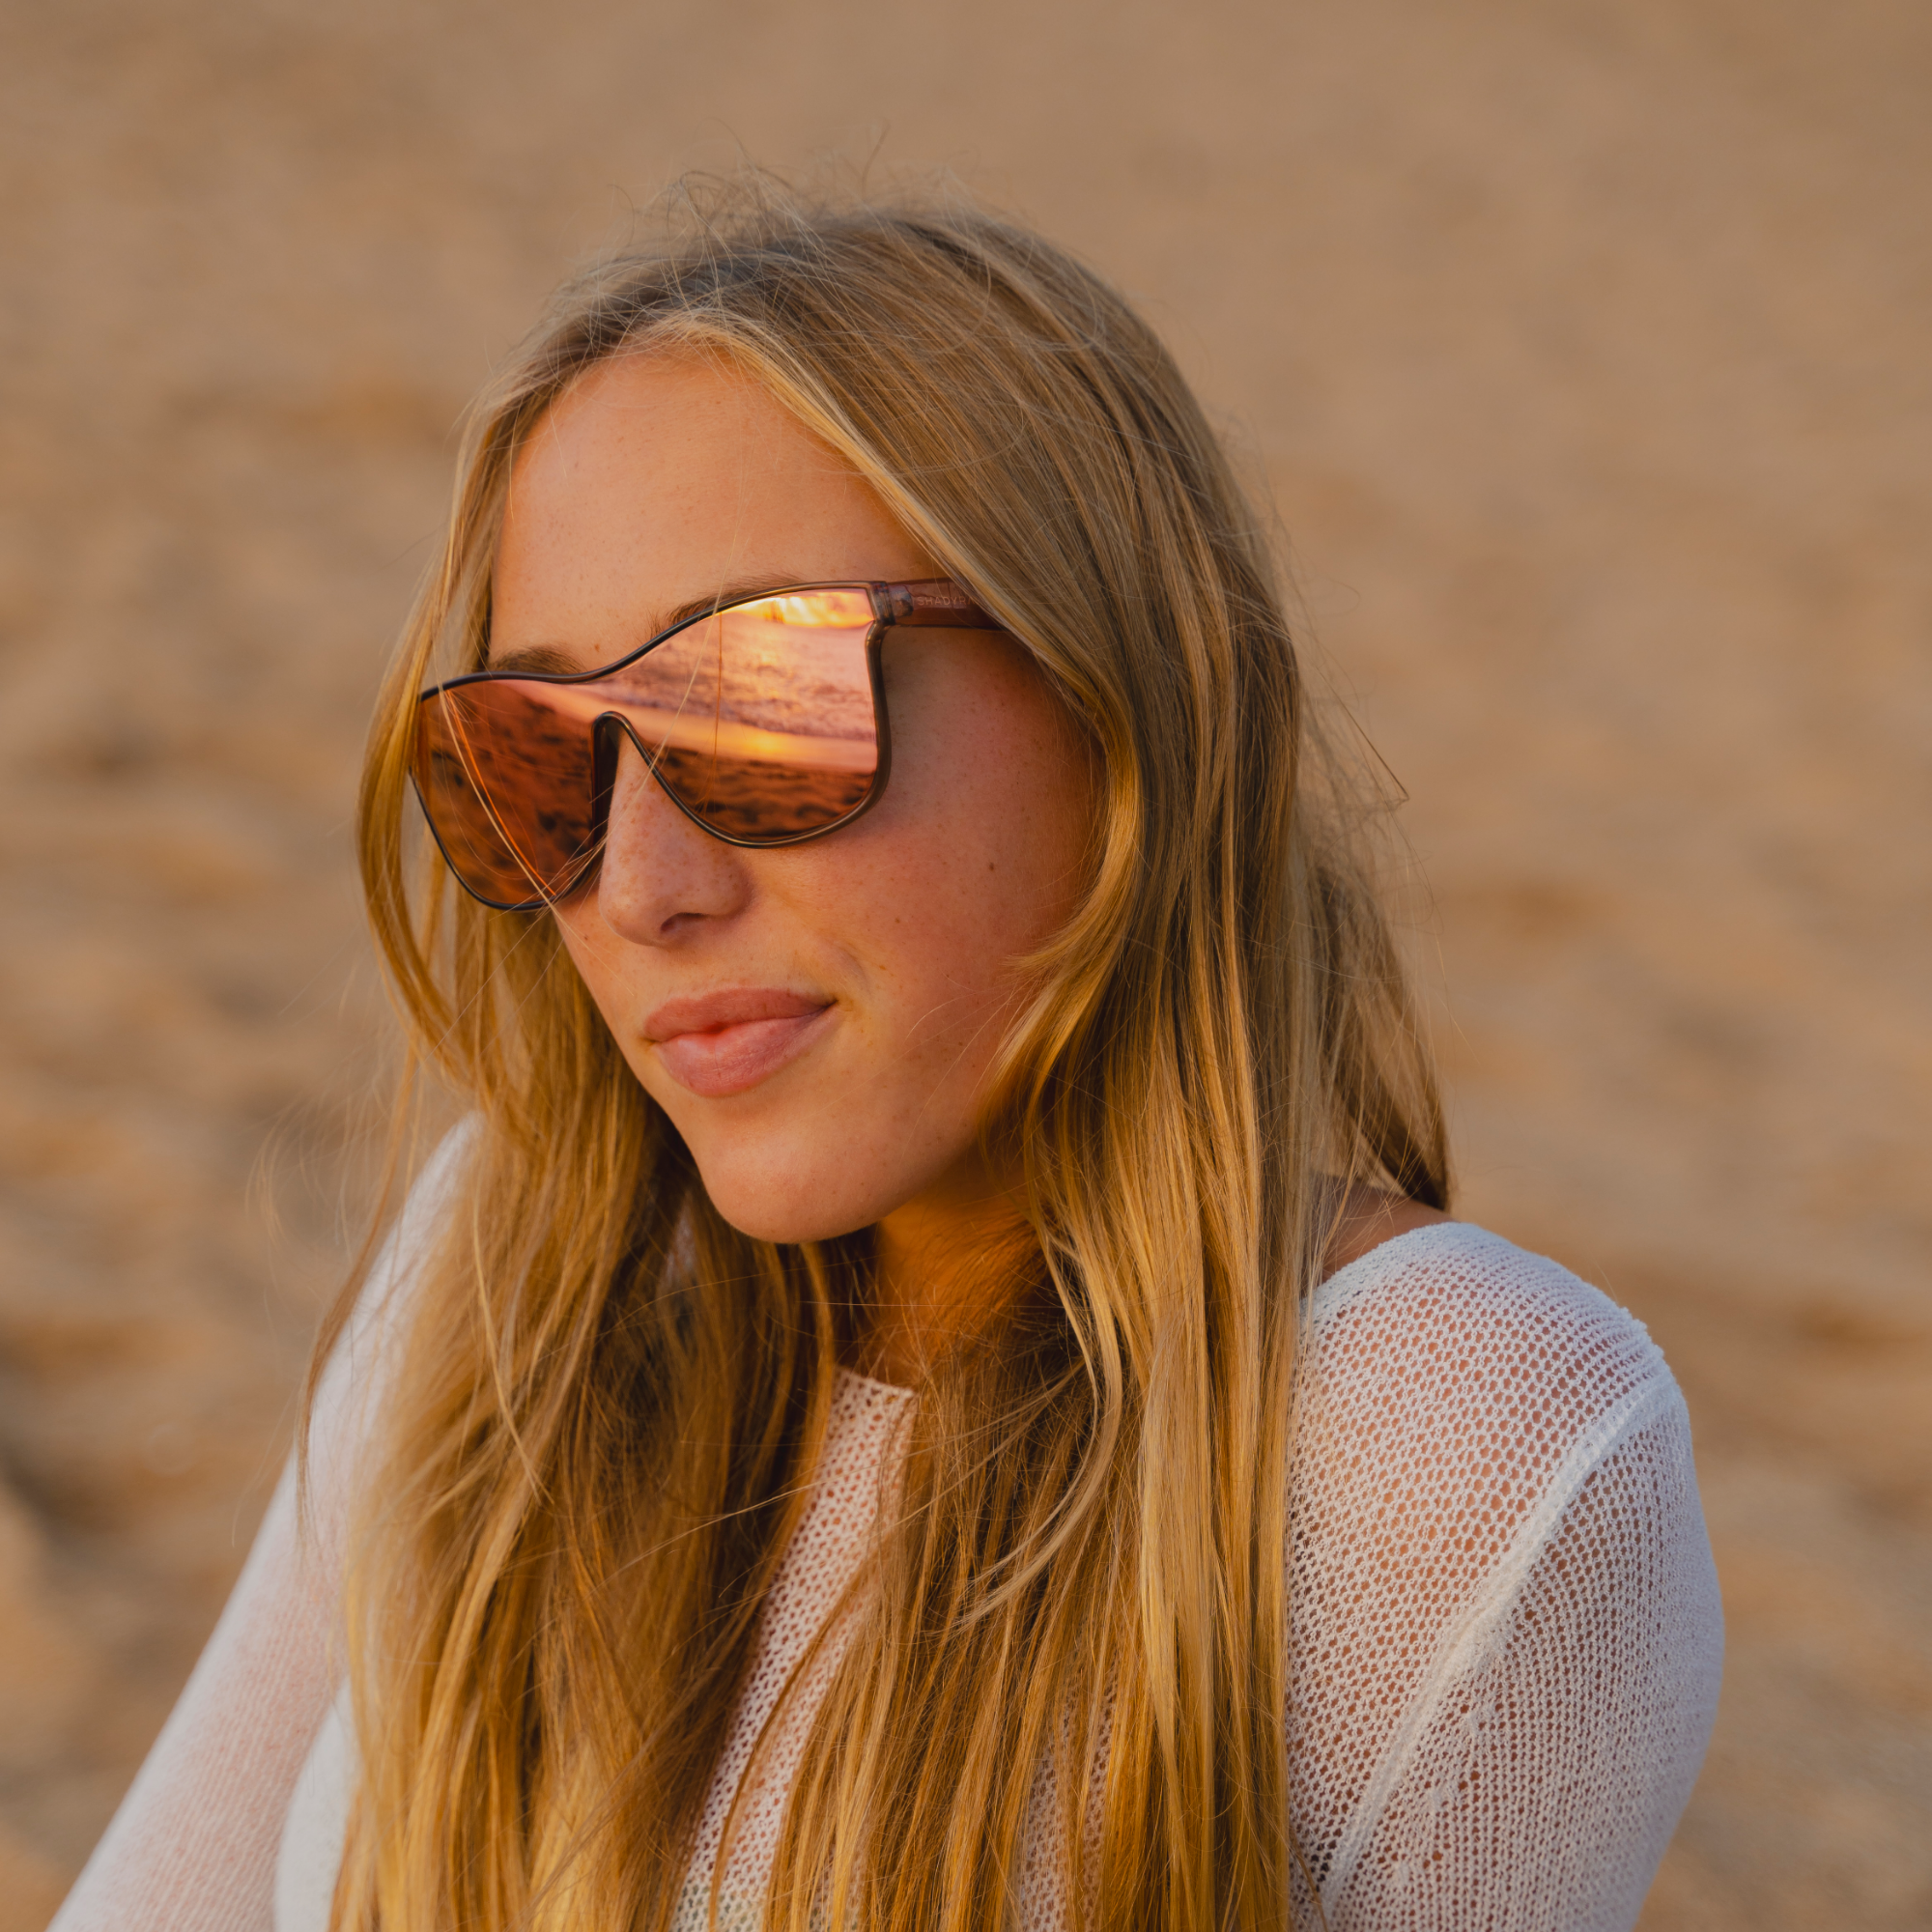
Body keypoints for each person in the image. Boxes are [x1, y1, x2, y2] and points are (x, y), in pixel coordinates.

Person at [50, 181, 1722, 1932]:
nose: (640, 889)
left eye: (758, 706)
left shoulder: (1446, 1454)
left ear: (1129, 690)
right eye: (537, 758)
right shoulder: (514, 1267)